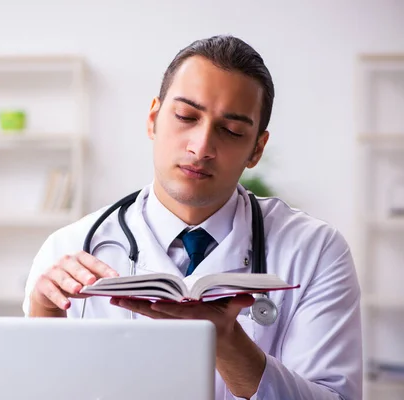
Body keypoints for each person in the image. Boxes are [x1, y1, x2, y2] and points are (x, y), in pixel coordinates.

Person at [22, 35, 362, 400]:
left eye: (231, 131)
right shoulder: (68, 249)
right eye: (186, 117)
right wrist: (43, 316)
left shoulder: (316, 251)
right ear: (153, 119)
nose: (201, 148)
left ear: (256, 149)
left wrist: (227, 342)